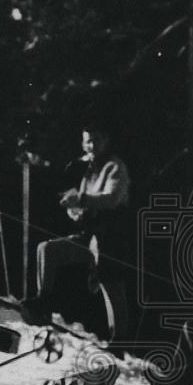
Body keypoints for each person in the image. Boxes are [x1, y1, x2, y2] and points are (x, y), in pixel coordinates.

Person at [20, 126, 130, 338]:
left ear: (106, 140)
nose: (92, 146)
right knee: (47, 249)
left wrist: (81, 200)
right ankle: (44, 303)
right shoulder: (89, 168)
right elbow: (84, 204)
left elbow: (112, 198)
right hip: (90, 235)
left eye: (96, 140)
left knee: (110, 283)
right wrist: (74, 210)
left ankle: (119, 339)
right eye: (88, 141)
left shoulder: (114, 167)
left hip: (111, 238)